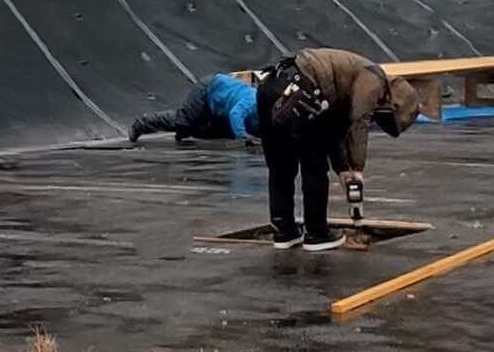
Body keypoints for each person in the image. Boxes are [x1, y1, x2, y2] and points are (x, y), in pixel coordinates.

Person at [255, 48, 420, 252]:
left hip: (272, 86)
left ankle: (284, 231)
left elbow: (334, 131)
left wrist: (343, 169)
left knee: (281, 166)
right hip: (303, 91)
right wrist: (357, 169)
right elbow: (358, 122)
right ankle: (317, 234)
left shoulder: (346, 82)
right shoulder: (374, 78)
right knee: (314, 165)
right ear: (395, 102)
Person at [128, 72, 260, 146]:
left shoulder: (266, 113)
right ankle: (141, 124)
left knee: (223, 132)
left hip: (219, 106)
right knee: (185, 119)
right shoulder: (253, 100)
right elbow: (235, 114)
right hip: (208, 89)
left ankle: (187, 130)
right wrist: (244, 138)